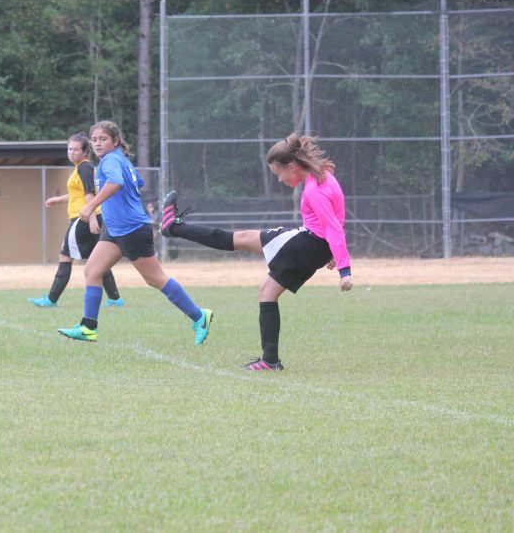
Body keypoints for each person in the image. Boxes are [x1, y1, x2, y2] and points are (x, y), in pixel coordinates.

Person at [161, 133, 353, 371]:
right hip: (315, 247)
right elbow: (336, 219)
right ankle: (270, 360)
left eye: (279, 174)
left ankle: (174, 227)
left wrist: (344, 270)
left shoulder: (315, 190)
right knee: (267, 292)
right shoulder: (324, 178)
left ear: (292, 166)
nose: (280, 180)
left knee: (237, 239)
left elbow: (333, 227)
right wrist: (330, 252)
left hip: (307, 243)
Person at [58, 121, 212, 345]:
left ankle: (200, 316)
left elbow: (117, 183)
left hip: (131, 230)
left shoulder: (110, 160)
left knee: (155, 278)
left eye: (103, 139)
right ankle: (88, 326)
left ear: (115, 141)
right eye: (95, 140)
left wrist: (91, 206)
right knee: (92, 271)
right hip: (117, 230)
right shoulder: (120, 160)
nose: (98, 143)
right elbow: (135, 182)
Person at [28, 133, 124, 308]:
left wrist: (92, 217)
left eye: (75, 149)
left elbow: (90, 194)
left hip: (83, 218)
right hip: (87, 216)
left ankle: (51, 299)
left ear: (85, 151)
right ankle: (116, 299)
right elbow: (78, 194)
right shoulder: (80, 168)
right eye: (69, 149)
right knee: (98, 259)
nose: (71, 152)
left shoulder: (84, 168)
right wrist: (58, 200)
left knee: (65, 256)